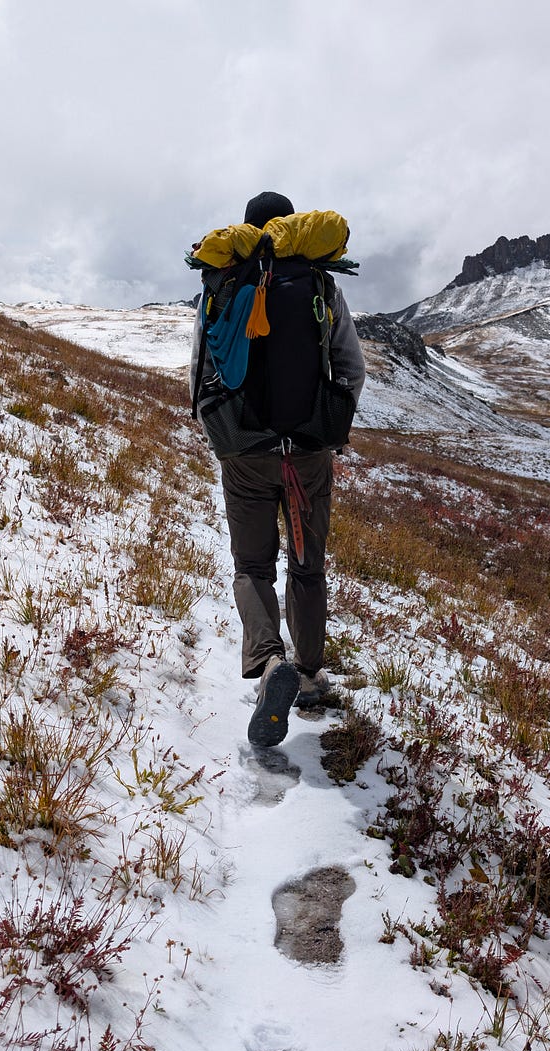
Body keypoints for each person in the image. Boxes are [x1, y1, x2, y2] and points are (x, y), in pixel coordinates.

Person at [188, 191, 366, 747]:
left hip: (245, 452)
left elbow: (200, 373)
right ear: (292, 225)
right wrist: (325, 430)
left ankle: (268, 664)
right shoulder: (318, 283)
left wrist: (226, 439)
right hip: (308, 452)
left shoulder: (222, 286)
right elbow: (350, 368)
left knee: (252, 567)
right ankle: (310, 675)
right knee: (307, 567)